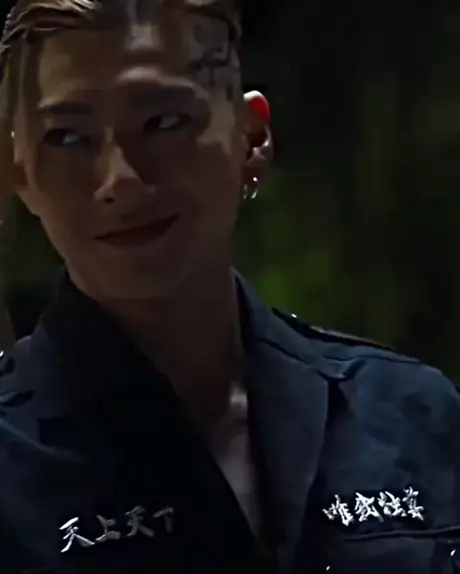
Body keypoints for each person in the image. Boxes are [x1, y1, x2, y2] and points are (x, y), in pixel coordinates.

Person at [0, 0, 459, 572]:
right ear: (19, 170)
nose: (120, 180)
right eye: (68, 137)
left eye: (162, 123)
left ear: (250, 137)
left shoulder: (412, 415)